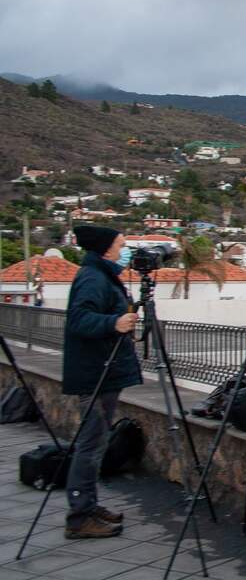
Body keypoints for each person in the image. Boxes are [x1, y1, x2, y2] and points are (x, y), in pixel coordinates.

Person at [63, 225, 142, 539]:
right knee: (90, 445)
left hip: (103, 371)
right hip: (95, 372)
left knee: (96, 442)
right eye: (122, 244)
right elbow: (79, 319)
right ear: (106, 248)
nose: (125, 249)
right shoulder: (93, 278)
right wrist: (114, 322)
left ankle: (88, 506)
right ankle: (79, 516)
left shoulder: (102, 275)